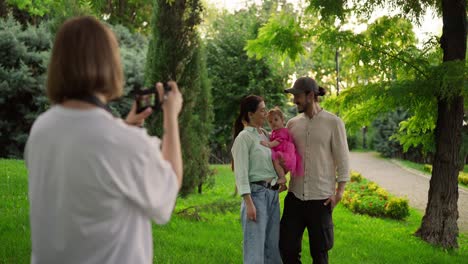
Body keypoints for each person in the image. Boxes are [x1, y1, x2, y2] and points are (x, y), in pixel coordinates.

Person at [24, 16, 183, 264]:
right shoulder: (122, 142)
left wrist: (124, 126)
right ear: (110, 63)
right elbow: (167, 196)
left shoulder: (42, 128)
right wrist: (170, 118)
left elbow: (86, 147)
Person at [279, 77, 350, 264]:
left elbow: (343, 160)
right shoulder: (292, 124)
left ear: (311, 95)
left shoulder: (334, 123)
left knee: (320, 254)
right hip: (295, 198)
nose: (294, 101)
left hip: (321, 200)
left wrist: (339, 193)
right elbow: (288, 158)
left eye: (298, 96)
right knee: (287, 249)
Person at [231, 95, 282, 264]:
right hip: (256, 197)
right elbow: (241, 172)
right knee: (255, 250)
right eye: (262, 110)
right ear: (250, 114)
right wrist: (248, 202)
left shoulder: (266, 136)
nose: (265, 113)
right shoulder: (244, 138)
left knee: (272, 249)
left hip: (272, 196)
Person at [261, 107, 303, 187]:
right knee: (277, 167)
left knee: (276, 161)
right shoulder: (274, 132)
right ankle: (283, 185)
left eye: (276, 120)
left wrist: (268, 144)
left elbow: (277, 142)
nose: (273, 123)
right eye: (270, 122)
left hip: (285, 153)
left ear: (282, 120)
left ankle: (283, 178)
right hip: (281, 152)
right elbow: (272, 136)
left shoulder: (283, 131)